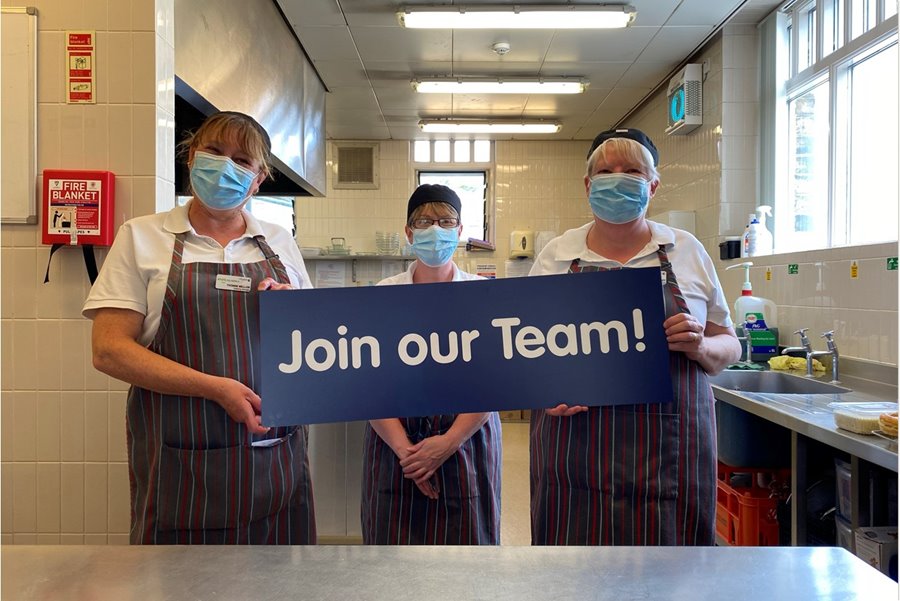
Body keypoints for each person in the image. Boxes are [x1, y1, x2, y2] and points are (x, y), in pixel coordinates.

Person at [83, 111, 316, 544]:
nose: (226, 166)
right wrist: (215, 388)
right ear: (192, 157)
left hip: (272, 451)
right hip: (179, 458)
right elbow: (109, 350)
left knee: (281, 570)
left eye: (242, 160)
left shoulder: (280, 241)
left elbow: (313, 347)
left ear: (259, 178)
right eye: (214, 151)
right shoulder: (142, 236)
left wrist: (292, 312)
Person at [528, 128, 741, 546]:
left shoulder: (686, 250)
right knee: (571, 559)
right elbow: (523, 354)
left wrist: (701, 345)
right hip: (573, 448)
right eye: (606, 171)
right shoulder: (557, 255)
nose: (617, 179)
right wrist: (544, 392)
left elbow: (730, 345)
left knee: (672, 562)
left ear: (653, 185)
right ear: (588, 185)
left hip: (669, 451)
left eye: (631, 171)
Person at [360, 184, 502, 545]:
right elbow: (369, 385)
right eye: (424, 222)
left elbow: (496, 382)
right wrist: (405, 451)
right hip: (394, 444)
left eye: (446, 221)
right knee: (391, 555)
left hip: (468, 440)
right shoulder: (383, 295)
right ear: (409, 233)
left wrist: (449, 441)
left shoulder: (484, 295)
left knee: (469, 549)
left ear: (459, 230)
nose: (435, 230)